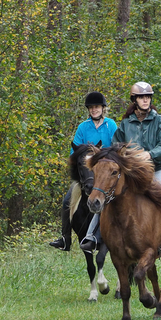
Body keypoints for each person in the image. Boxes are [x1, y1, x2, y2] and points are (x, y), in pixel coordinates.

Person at [80, 82, 161, 254]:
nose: (145, 100)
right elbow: (116, 146)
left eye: (148, 97)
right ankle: (92, 236)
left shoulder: (159, 121)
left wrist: (150, 154)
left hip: (155, 170)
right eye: (141, 97)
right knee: (104, 192)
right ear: (135, 100)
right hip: (130, 172)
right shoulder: (126, 124)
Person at [49, 91, 117, 250]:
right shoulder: (83, 127)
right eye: (91, 108)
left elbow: (115, 148)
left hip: (104, 174)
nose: (94, 110)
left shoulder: (111, 125)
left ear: (103, 108)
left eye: (97, 107)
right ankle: (65, 239)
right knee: (67, 201)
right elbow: (74, 153)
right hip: (86, 174)